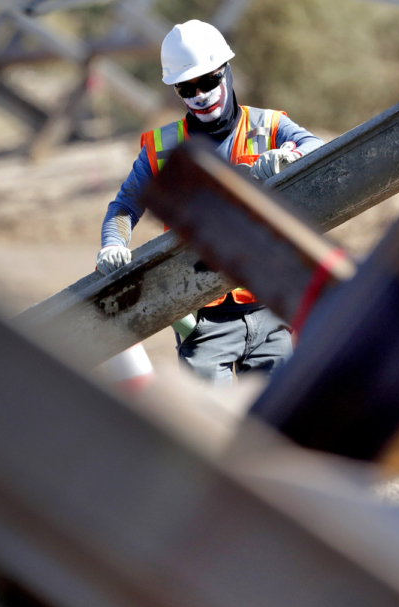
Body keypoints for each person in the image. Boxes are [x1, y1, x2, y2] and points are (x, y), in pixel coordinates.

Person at [96, 20, 323, 385]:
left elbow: (321, 150)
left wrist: (290, 155)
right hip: (202, 318)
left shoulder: (268, 125)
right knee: (210, 426)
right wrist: (113, 244)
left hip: (270, 305)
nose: (200, 94)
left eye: (208, 81)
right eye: (187, 88)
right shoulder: (161, 147)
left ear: (226, 72)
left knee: (273, 425)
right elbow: (124, 207)